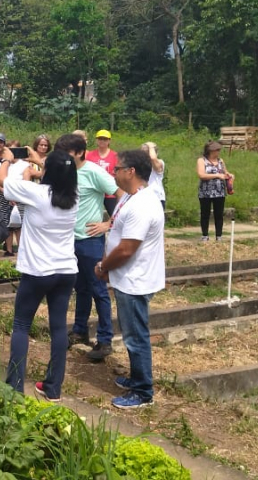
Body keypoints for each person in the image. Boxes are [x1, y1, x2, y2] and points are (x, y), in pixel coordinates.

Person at [2, 150, 79, 401]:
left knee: (22, 325)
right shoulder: (73, 198)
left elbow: (4, 182)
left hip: (38, 271)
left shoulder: (37, 193)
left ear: (48, 173)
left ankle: (14, 387)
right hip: (66, 270)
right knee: (58, 328)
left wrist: (6, 160)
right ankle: (53, 388)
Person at [96, 150, 165, 409]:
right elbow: (116, 232)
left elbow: (126, 248)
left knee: (136, 337)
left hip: (136, 280)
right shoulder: (134, 198)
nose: (113, 172)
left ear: (131, 172)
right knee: (132, 333)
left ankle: (143, 391)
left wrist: (104, 266)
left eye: (117, 168)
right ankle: (137, 377)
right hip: (129, 277)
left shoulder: (142, 205)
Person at [57, 133, 122, 361]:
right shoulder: (65, 172)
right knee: (80, 288)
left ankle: (105, 339)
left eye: (67, 153)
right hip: (69, 240)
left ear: (79, 152)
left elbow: (122, 195)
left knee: (98, 289)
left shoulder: (94, 172)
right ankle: (79, 329)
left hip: (90, 240)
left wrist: (108, 224)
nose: (63, 157)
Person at [197, 141, 232, 242]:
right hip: (205, 192)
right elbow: (201, 175)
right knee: (205, 214)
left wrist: (229, 175)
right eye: (217, 150)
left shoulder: (221, 161)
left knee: (219, 214)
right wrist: (217, 175)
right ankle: (205, 235)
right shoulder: (201, 160)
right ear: (211, 150)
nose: (219, 151)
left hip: (219, 191)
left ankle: (219, 236)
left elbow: (225, 172)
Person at [87, 130, 118, 214]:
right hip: (94, 191)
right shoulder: (90, 155)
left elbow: (118, 172)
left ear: (109, 141)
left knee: (114, 214)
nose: (102, 141)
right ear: (96, 140)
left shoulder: (115, 155)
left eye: (105, 139)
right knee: (91, 215)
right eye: (100, 138)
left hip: (110, 192)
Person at [141, 142, 166, 211]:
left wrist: (151, 146)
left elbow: (153, 158)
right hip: (142, 199)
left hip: (157, 198)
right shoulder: (139, 165)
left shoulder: (160, 163)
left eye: (147, 152)